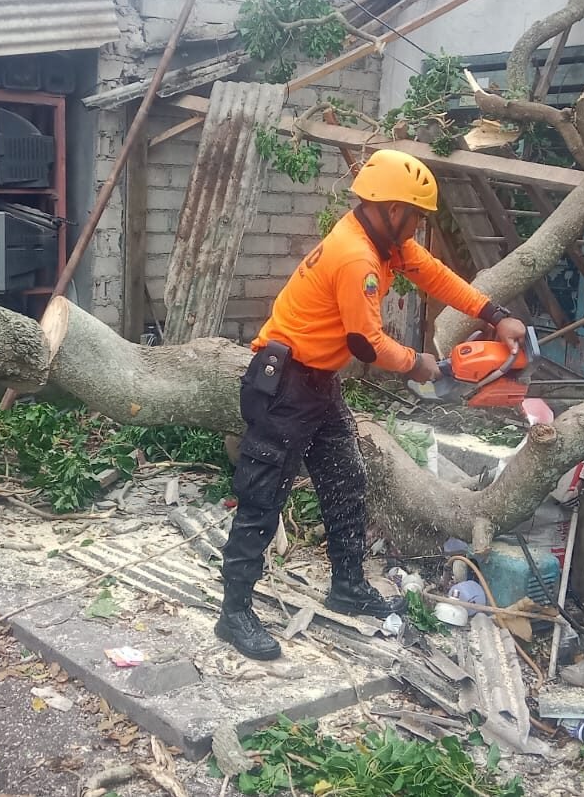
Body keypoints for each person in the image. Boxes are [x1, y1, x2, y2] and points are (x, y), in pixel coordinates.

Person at [216, 148, 529, 660]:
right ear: (392, 208)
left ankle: (347, 586)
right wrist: (416, 363)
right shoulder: (357, 255)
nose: (418, 226)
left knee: (346, 479)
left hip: (319, 382)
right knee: (262, 498)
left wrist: (495, 314)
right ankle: (233, 615)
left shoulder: (384, 241)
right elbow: (366, 343)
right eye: (416, 216)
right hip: (285, 386)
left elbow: (434, 274)